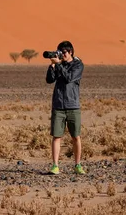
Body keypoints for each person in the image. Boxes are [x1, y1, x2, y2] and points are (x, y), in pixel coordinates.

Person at [45, 40, 85, 175]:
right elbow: (50, 80)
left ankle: (77, 165)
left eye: (64, 53)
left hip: (73, 105)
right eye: (60, 52)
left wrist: (59, 64)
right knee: (57, 136)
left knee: (76, 136)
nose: (62, 55)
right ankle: (55, 165)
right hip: (58, 105)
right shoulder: (58, 64)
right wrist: (52, 66)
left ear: (71, 52)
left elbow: (69, 78)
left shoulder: (78, 65)